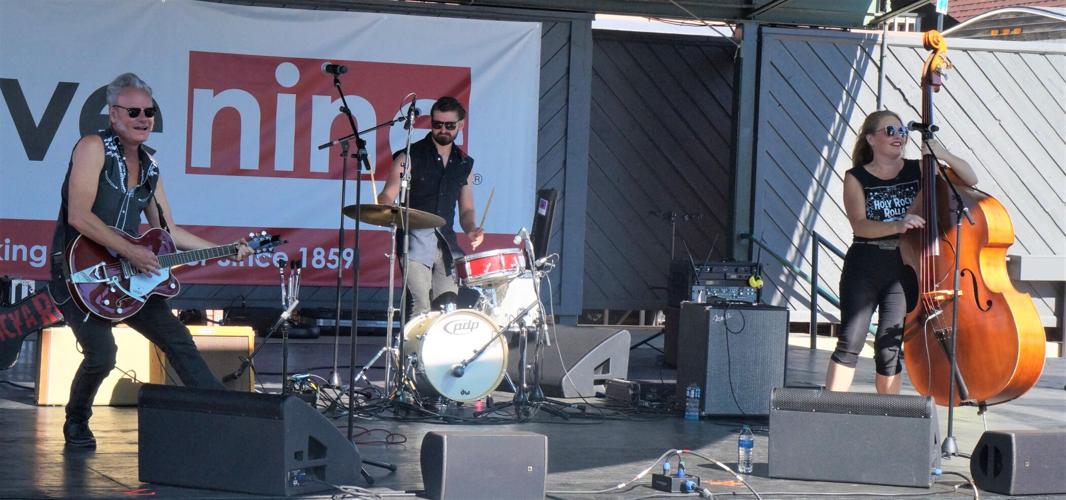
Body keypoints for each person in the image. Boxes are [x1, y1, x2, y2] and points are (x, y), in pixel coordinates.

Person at [49, 73, 254, 448]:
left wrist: (226, 247)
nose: (144, 118)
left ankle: (225, 418)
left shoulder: (150, 166)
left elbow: (167, 231)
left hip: (130, 274)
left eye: (150, 112)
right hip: (81, 272)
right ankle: (77, 419)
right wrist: (131, 251)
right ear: (114, 115)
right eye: (134, 111)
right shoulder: (93, 146)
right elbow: (79, 216)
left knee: (179, 340)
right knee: (103, 356)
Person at [826, 110, 978, 394]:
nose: (899, 137)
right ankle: (826, 412)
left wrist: (941, 153)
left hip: (905, 265)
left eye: (902, 131)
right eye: (890, 131)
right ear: (871, 138)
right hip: (866, 263)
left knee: (889, 346)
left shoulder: (919, 168)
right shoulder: (856, 177)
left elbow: (971, 179)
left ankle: (887, 418)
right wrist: (899, 223)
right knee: (851, 339)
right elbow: (860, 226)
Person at [377, 96, 484, 316]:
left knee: (448, 307)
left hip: (446, 245)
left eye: (450, 125)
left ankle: (441, 351)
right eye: (437, 124)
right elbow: (387, 194)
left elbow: (467, 210)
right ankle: (412, 350)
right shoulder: (409, 156)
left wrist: (472, 229)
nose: (443, 130)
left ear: (460, 125)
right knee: (420, 306)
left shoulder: (464, 164)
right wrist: (385, 208)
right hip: (415, 241)